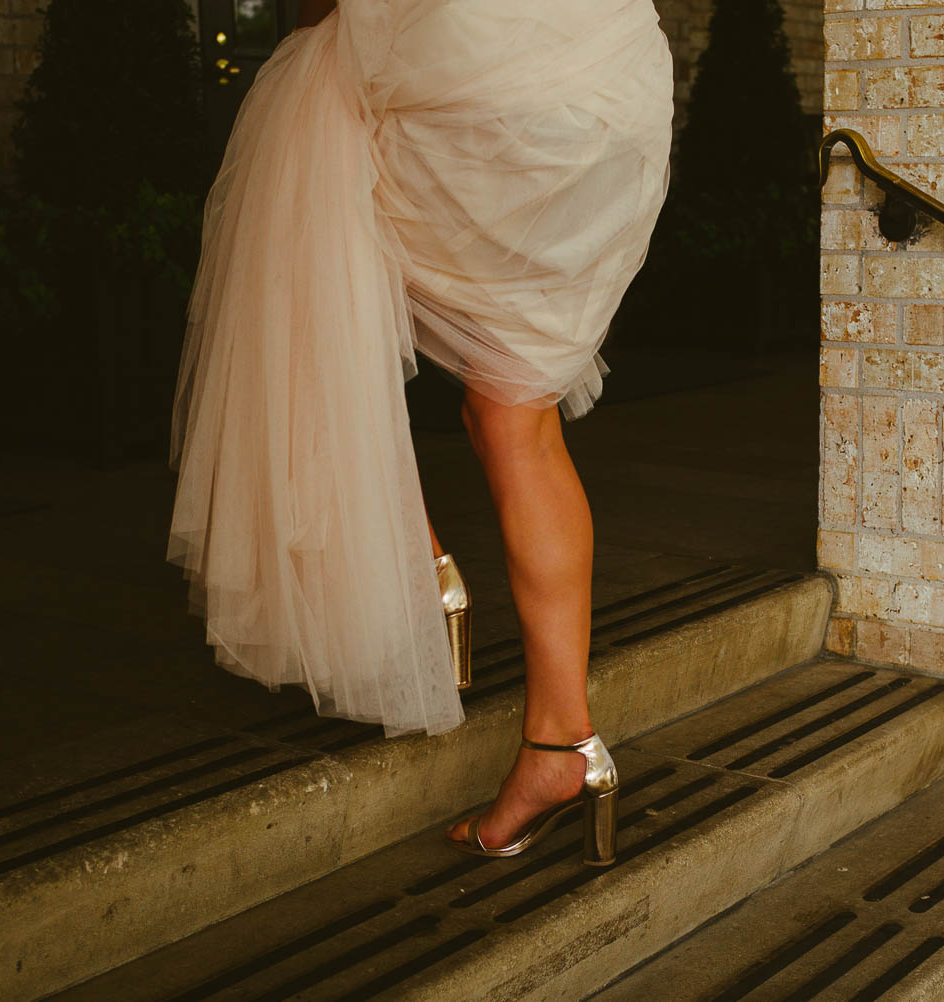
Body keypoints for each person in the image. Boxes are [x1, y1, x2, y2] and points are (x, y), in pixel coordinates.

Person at [166, 0, 673, 867]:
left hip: (477, 74)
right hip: (609, 89)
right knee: (515, 418)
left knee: (302, 200)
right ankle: (564, 743)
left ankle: (417, 558)